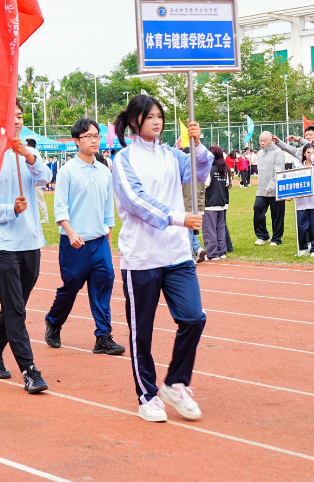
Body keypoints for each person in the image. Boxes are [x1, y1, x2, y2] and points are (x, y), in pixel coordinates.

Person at [110, 94, 209, 423]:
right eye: (149, 116)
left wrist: (196, 145)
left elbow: (199, 171)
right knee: (143, 331)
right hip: (142, 256)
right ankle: (148, 396)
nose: (157, 121)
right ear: (135, 121)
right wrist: (179, 218)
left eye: (160, 116)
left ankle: (176, 382)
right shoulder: (123, 160)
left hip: (177, 253)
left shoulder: (171, 155)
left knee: (194, 317)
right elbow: (136, 201)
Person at [0, 99, 53, 394]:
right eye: (10, 117)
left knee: (14, 306)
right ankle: (29, 370)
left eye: (19, 117)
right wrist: (10, 209)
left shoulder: (28, 154)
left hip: (30, 240)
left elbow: (46, 178)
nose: (16, 122)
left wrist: (30, 157)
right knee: (16, 309)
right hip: (1, 243)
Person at [44, 118, 124, 355]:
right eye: (88, 136)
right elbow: (60, 208)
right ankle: (54, 321)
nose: (94, 140)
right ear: (77, 140)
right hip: (74, 244)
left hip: (99, 242)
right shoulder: (68, 171)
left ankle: (103, 337)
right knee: (71, 287)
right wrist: (70, 232)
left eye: (96, 136)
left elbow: (108, 208)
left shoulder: (104, 171)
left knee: (103, 284)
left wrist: (109, 239)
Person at [253, 132, 287, 246]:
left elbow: (278, 172)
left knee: (277, 215)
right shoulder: (260, 153)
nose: (262, 142)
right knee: (258, 210)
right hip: (262, 189)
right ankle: (263, 236)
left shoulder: (278, 153)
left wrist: (270, 187)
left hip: (276, 189)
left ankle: (276, 239)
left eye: (265, 140)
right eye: (260, 140)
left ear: (271, 140)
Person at [202, 147, 229, 261]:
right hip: (221, 203)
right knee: (220, 228)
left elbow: (205, 185)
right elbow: (227, 184)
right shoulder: (224, 169)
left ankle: (212, 253)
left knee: (210, 229)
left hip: (210, 203)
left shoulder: (208, 169)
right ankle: (222, 251)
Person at [26, 139, 49, 223]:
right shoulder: (37, 152)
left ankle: (45, 218)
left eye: (26, 144)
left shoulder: (33, 153)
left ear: (28, 145)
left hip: (35, 181)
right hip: (32, 180)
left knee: (40, 200)